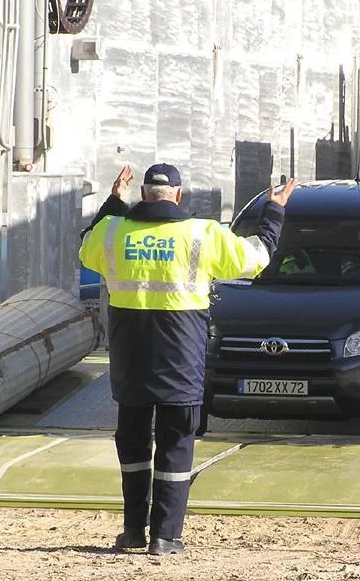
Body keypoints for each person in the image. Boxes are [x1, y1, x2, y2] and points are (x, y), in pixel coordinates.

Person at [79, 163, 296, 555]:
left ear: (143, 195)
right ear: (178, 196)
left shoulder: (113, 231)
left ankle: (132, 531)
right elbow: (257, 257)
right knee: (175, 443)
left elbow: (87, 246)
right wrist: (274, 210)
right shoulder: (203, 234)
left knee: (132, 444)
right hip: (180, 356)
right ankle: (165, 536)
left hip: (130, 358)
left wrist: (113, 201)